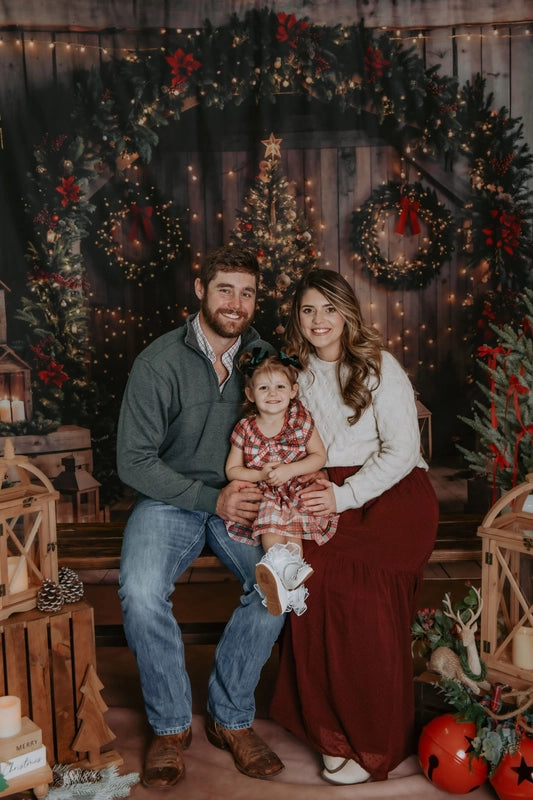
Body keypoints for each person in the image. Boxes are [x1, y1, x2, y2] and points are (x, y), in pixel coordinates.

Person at [116, 245, 286, 789]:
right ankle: (169, 727)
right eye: (224, 289)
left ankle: (230, 719)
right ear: (200, 290)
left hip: (250, 496)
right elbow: (133, 461)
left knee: (279, 584)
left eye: (247, 292)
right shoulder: (158, 362)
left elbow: (291, 430)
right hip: (172, 498)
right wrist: (211, 500)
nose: (236, 303)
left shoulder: (266, 359)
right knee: (140, 592)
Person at [269, 269, 439, 785]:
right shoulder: (293, 374)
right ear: (297, 319)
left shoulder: (380, 367)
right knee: (313, 583)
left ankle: (370, 734)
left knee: (359, 596)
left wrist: (342, 496)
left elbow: (402, 452)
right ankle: (329, 729)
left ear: (347, 313)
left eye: (328, 309)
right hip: (324, 490)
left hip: (390, 494)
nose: (319, 320)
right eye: (307, 310)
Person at [225, 348, 338, 617]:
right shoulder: (246, 428)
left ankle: (290, 575)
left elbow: (319, 456)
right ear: (251, 394)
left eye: (279, 386)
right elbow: (232, 470)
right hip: (265, 492)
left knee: (293, 526)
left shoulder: (299, 421)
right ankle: (284, 578)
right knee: (272, 519)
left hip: (296, 488)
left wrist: (289, 470)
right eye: (263, 387)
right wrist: (260, 476)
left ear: (293, 390)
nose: (272, 393)